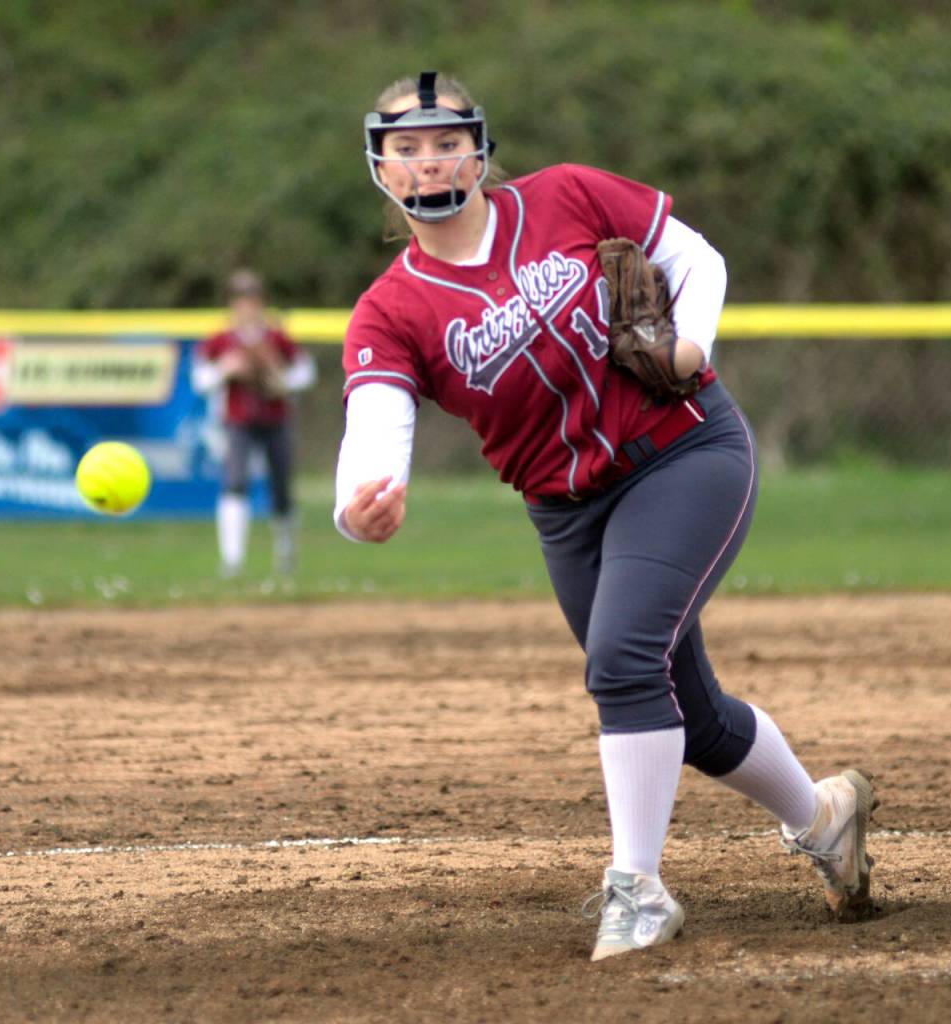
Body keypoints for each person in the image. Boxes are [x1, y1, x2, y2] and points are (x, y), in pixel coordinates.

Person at [333, 71, 876, 961]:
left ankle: (639, 890)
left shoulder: (567, 196)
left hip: (683, 452)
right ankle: (825, 818)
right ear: (381, 169)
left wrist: (691, 342)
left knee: (623, 662)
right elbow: (373, 434)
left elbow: (695, 258)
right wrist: (363, 511)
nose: (428, 161)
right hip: (568, 513)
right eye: (406, 147)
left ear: (480, 148)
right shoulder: (391, 311)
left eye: (445, 140)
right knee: (689, 720)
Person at [193, 268, 316, 577]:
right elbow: (200, 380)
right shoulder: (221, 340)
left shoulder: (276, 337)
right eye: (239, 299)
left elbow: (305, 372)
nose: (246, 305)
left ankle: (286, 556)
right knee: (235, 484)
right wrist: (225, 370)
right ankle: (232, 560)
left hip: (275, 418)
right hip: (238, 420)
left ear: (261, 301)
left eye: (251, 298)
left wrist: (284, 382)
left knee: (282, 490)